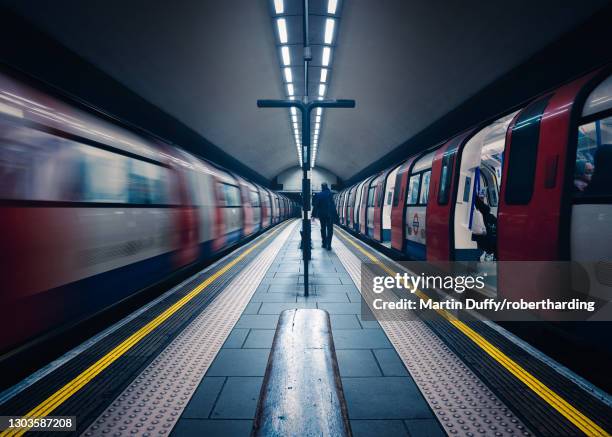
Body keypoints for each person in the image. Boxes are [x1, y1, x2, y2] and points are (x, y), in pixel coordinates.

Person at [471, 190, 497, 261]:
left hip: (482, 240)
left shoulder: (481, 213)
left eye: (482, 198)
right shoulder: (489, 215)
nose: (482, 199)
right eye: (481, 198)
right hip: (487, 242)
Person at [312, 182, 337, 250]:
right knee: (330, 229)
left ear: (321, 187)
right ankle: (329, 245)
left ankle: (324, 243)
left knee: (323, 229)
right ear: (327, 186)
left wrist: (313, 215)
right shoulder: (330, 194)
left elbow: (316, 205)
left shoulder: (319, 195)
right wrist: (335, 215)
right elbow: (333, 205)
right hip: (329, 215)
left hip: (322, 215)